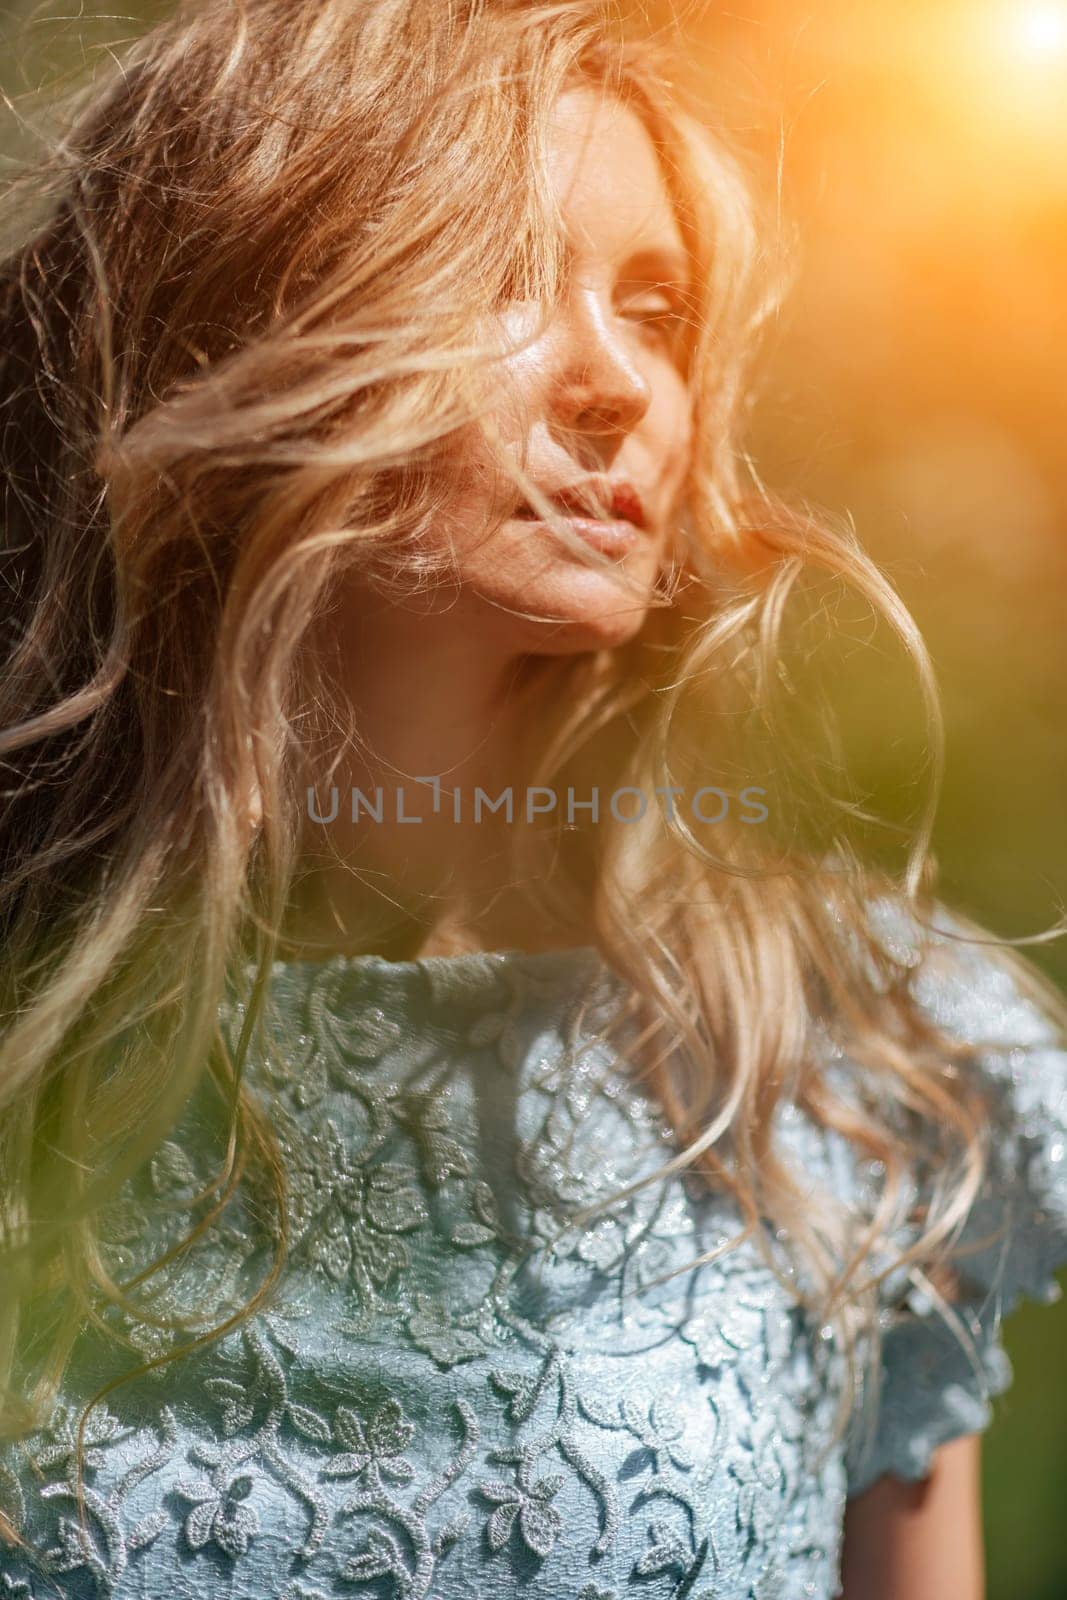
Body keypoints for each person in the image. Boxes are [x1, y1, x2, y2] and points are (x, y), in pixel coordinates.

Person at [0, 2, 1065, 1597]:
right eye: (503, 275)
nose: (619, 382)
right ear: (229, 320)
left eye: (656, 309)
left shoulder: (841, 1068)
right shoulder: (33, 1048)